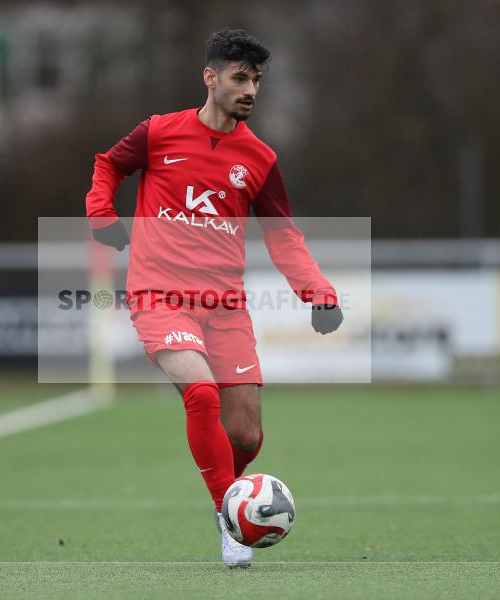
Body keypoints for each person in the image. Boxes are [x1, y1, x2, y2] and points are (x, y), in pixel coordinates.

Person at [85, 29, 343, 568]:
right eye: (239, 78)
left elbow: (283, 236)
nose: (250, 90)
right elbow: (108, 165)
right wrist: (102, 214)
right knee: (201, 394)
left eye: (257, 81)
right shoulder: (159, 132)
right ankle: (232, 520)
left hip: (225, 306)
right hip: (159, 295)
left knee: (245, 435)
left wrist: (318, 293)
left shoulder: (260, 159)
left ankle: (225, 497)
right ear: (210, 77)